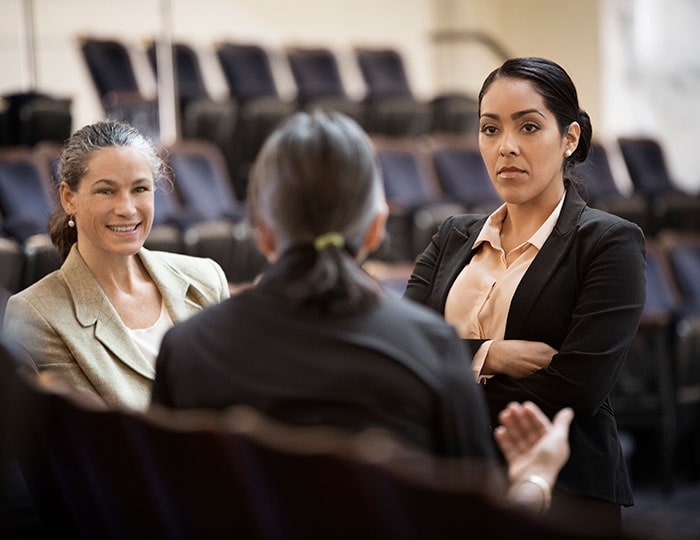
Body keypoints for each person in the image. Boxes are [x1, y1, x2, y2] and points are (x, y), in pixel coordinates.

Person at [150, 109, 574, 515]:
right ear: (376, 225)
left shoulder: (187, 348)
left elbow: (164, 509)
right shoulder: (431, 347)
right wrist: (533, 480)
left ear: (260, 232)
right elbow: (474, 524)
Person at [403, 57, 646, 534]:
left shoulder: (609, 242)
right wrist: (491, 357)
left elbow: (575, 389)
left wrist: (441, 391)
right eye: (490, 129)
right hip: (449, 481)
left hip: (564, 490)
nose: (506, 147)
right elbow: (406, 348)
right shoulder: (451, 235)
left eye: (529, 127)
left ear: (569, 139)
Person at [2, 120, 230, 411]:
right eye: (106, 191)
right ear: (69, 198)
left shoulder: (206, 278)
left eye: (140, 189)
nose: (127, 209)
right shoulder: (35, 313)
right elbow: (89, 437)